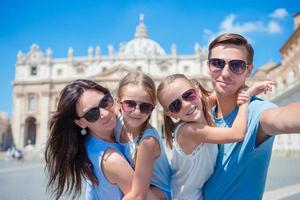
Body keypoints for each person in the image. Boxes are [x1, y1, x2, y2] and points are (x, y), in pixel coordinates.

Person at [202, 33, 300, 200]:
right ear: (208, 66)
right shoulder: (201, 113)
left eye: (237, 65)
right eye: (218, 63)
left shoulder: (258, 111)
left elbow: (283, 117)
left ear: (248, 70)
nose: (225, 73)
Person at [157, 73, 273, 200]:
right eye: (175, 106)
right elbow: (237, 134)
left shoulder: (202, 109)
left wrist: (251, 89)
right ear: (171, 114)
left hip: (197, 192)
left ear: (197, 90)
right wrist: (245, 102)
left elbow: (225, 92)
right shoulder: (188, 131)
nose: (186, 104)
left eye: (189, 95)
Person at [44, 79, 156, 200]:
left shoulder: (88, 141)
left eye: (105, 102)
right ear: (81, 122)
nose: (105, 113)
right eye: (92, 114)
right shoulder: (112, 160)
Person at [115, 72, 172, 200]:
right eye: (130, 104)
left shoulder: (148, 142)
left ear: (153, 108)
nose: (137, 111)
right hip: (139, 188)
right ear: (118, 103)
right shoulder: (116, 122)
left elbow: (138, 196)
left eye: (145, 107)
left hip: (158, 195)